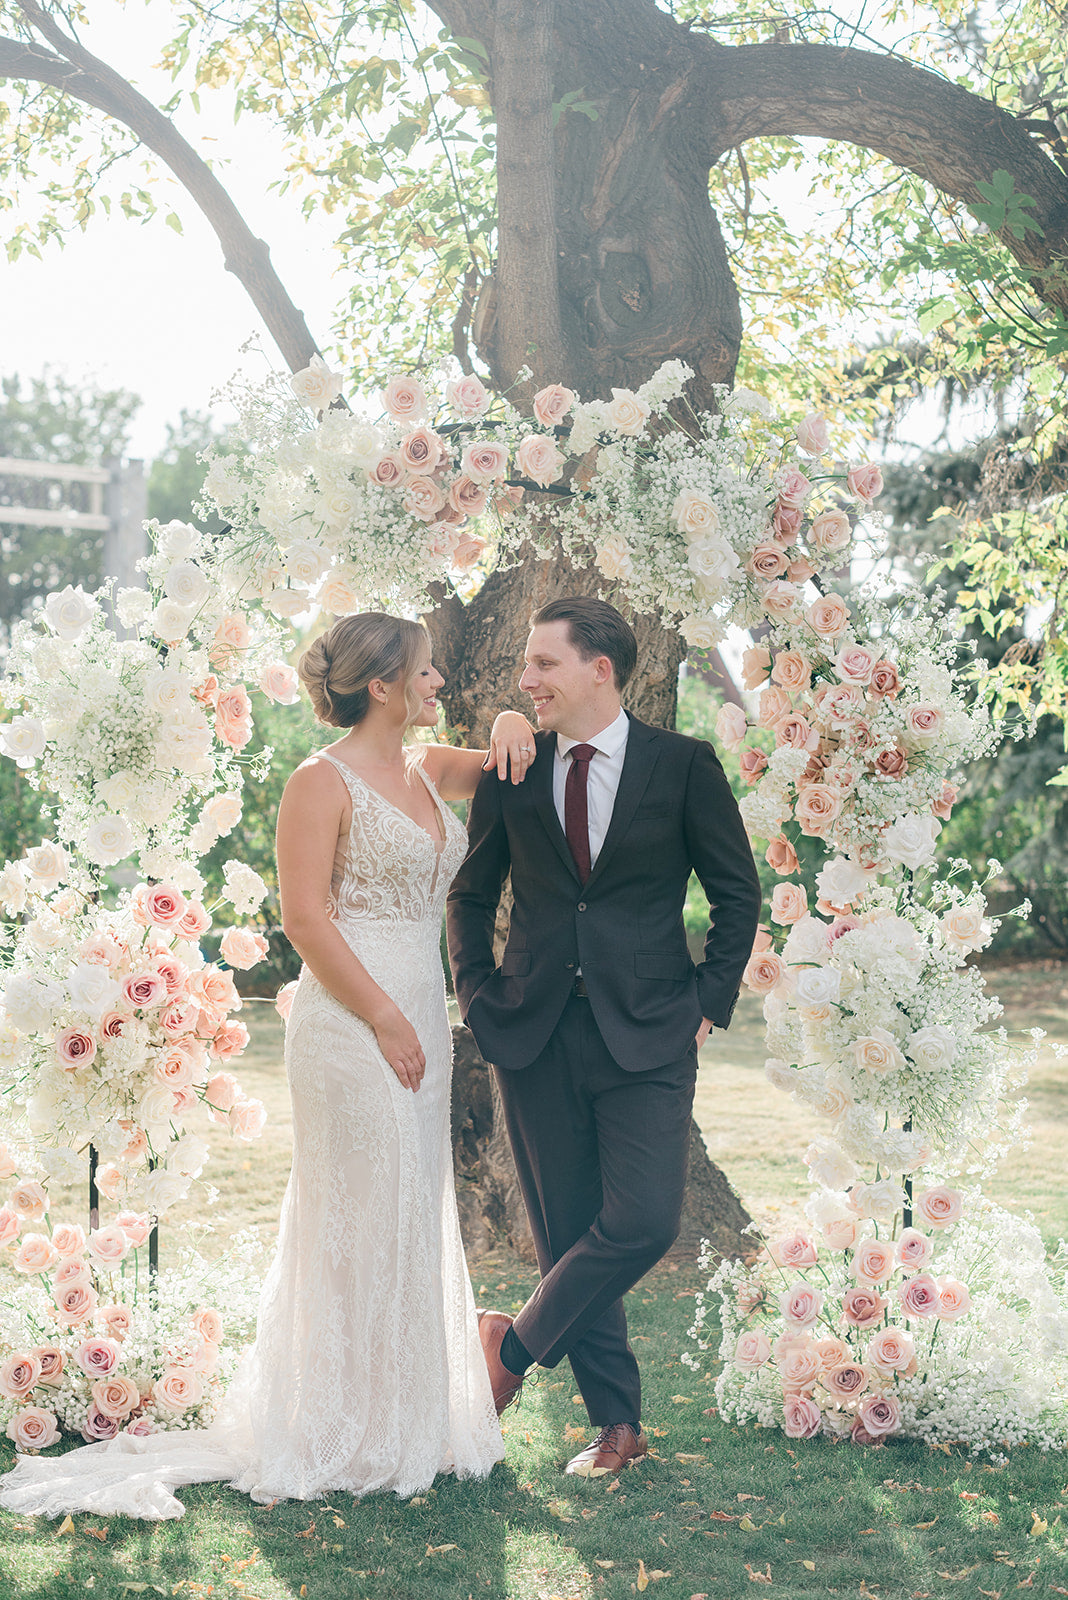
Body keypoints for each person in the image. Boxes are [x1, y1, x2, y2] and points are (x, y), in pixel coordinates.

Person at [0, 612, 536, 1519]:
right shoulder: (316, 782)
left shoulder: (431, 769)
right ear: (382, 685)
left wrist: (513, 723)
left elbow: (517, 766)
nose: (440, 681)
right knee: (354, 1207)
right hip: (352, 1018)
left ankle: (403, 1417)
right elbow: (304, 919)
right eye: (427, 671)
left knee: (411, 1202)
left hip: (421, 1009)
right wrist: (385, 1020)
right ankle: (332, 1424)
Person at [447, 596, 761, 1479]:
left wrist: (709, 997)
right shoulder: (514, 770)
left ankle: (507, 1354)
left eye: (544, 664)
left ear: (601, 669)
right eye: (525, 665)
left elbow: (737, 895)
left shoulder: (684, 765)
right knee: (568, 1232)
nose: (527, 679)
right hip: (532, 1029)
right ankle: (617, 1426)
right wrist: (476, 992)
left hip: (652, 1028)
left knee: (644, 1219)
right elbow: (469, 896)